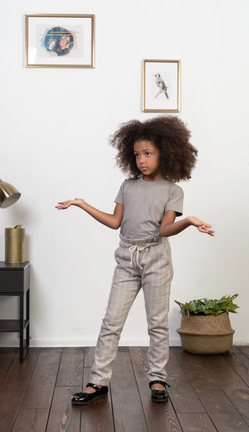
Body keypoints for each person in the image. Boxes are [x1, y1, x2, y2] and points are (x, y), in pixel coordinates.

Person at [56, 116, 214, 405]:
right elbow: (115, 222)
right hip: (126, 257)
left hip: (156, 257)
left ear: (165, 152)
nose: (141, 160)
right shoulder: (128, 186)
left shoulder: (172, 190)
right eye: (137, 154)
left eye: (148, 153)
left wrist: (189, 221)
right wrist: (82, 204)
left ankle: (157, 378)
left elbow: (165, 229)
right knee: (111, 321)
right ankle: (98, 381)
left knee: (156, 323)